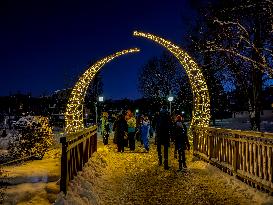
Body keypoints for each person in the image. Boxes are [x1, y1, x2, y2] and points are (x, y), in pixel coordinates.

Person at [156, 105, 172, 170]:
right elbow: (170, 125)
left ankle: (160, 160)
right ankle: (166, 164)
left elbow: (155, 124)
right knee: (165, 149)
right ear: (166, 109)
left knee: (159, 147)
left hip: (159, 133)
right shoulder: (168, 115)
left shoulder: (158, 115)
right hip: (165, 133)